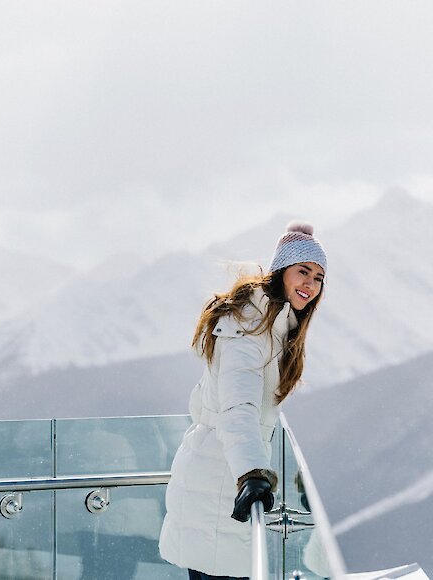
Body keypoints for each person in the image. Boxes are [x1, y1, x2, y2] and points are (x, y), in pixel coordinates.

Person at [159, 221, 327, 579]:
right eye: (303, 271)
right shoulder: (248, 326)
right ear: (281, 270)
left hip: (222, 480)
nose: (310, 285)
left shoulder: (273, 326)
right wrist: (252, 473)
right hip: (219, 484)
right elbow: (238, 408)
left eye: (318, 277)